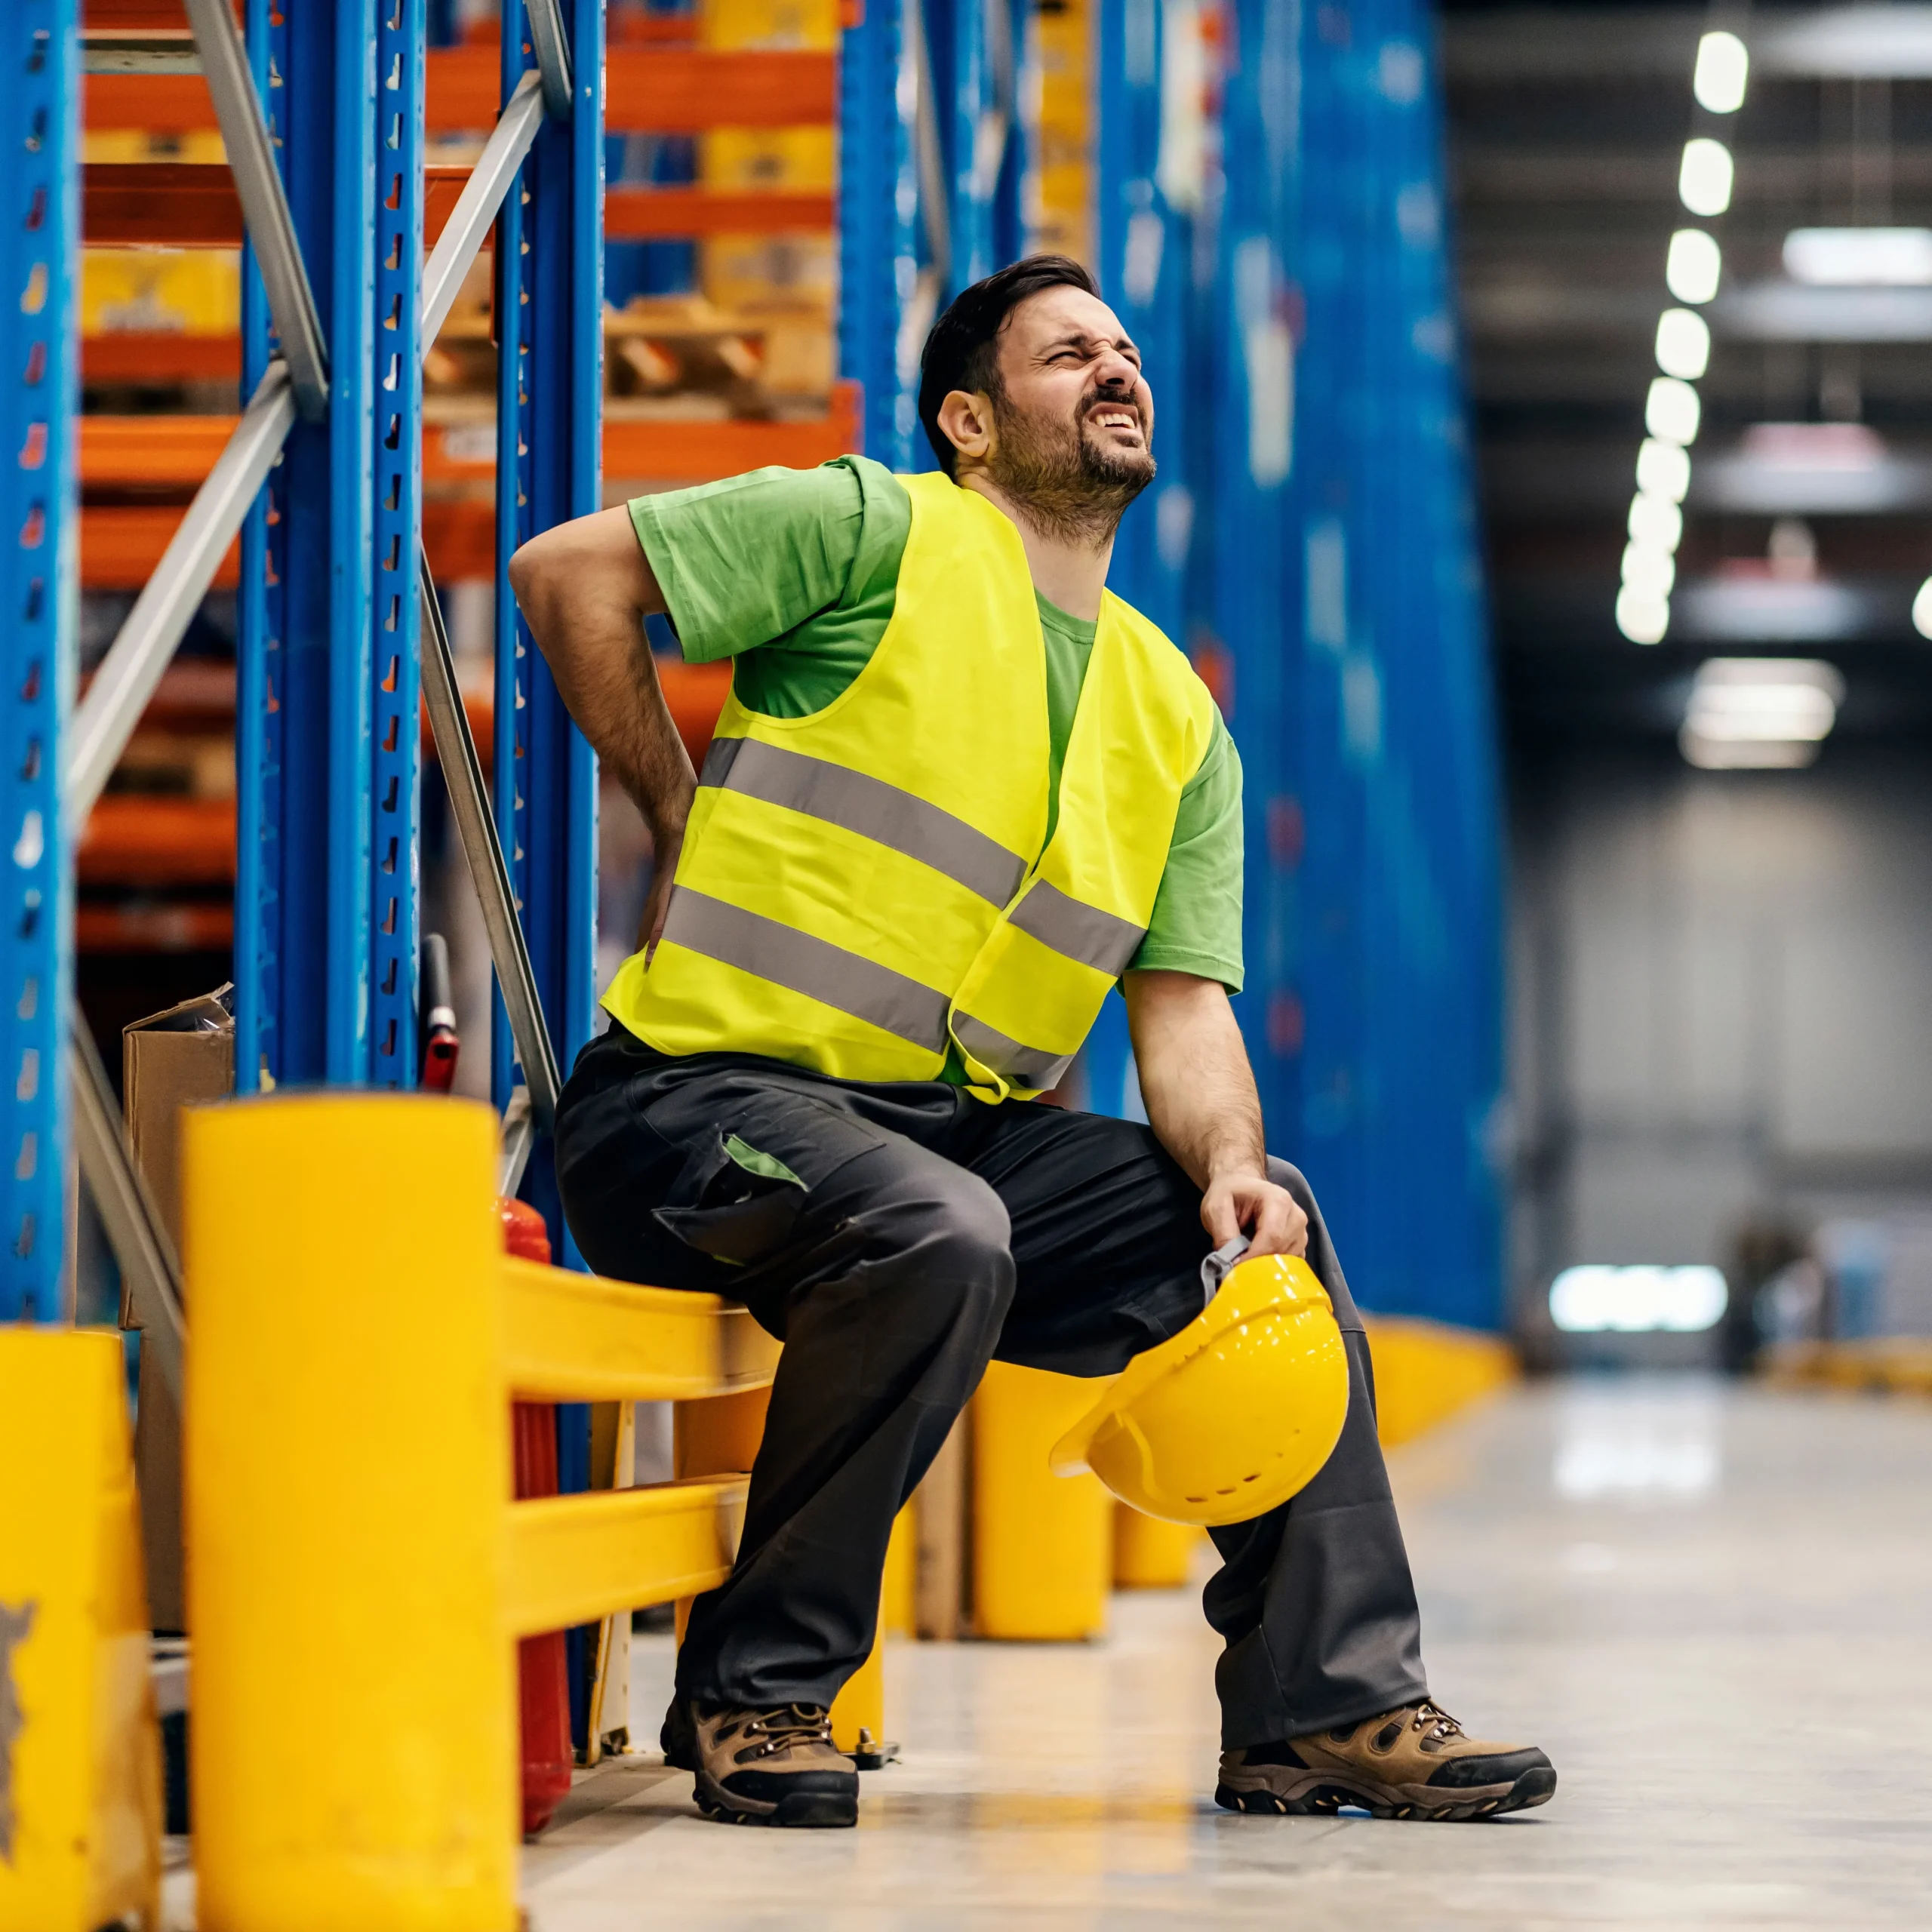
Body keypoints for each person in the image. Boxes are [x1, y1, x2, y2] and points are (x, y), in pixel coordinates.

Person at [507, 255, 1555, 1831]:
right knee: (942, 1225)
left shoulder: (1170, 713)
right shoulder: (874, 527)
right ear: (971, 423)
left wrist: (1227, 1173)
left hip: (940, 1137)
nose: (1113, 368)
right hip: (688, 1111)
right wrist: (668, 798)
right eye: (1067, 353)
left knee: (1263, 1241)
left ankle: (1319, 1702)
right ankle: (757, 1686)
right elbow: (567, 571)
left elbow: (1184, 1005)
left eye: (1123, 351)